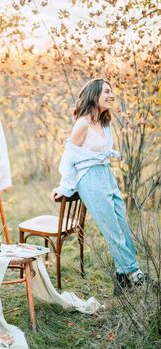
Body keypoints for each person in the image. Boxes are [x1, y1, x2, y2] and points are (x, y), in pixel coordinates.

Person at [51, 78, 144, 294]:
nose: (111, 95)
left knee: (123, 227)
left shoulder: (103, 122)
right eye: (107, 92)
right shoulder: (82, 123)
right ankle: (135, 274)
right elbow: (68, 158)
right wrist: (64, 188)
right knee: (113, 231)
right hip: (90, 180)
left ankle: (123, 281)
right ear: (94, 95)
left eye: (112, 92)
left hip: (107, 176)